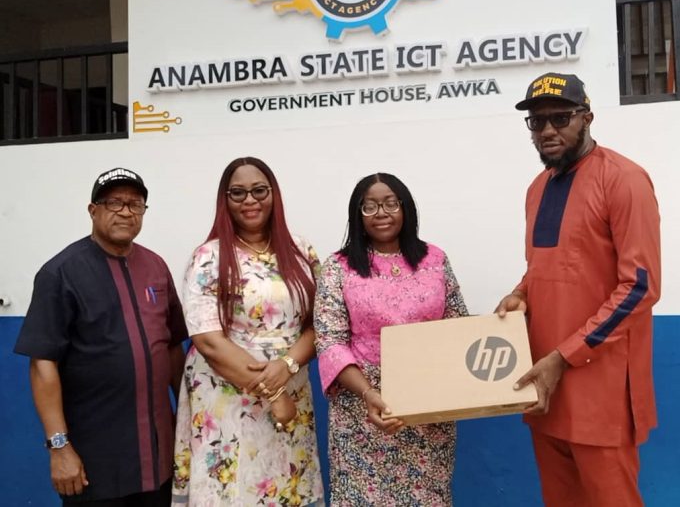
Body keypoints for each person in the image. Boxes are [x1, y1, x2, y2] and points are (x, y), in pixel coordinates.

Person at [495, 73, 661, 507]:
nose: (547, 130)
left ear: (587, 117)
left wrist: (563, 357)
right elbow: (544, 266)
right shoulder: (537, 189)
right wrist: (521, 294)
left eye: (560, 118)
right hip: (544, 389)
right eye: (537, 121)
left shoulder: (624, 179)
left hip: (600, 395)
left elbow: (640, 288)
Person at [14, 167, 188, 505]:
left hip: (159, 455)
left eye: (135, 204)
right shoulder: (60, 273)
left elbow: (172, 348)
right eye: (114, 203)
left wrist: (188, 420)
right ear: (93, 210)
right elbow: (42, 364)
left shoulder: (156, 267)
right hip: (94, 461)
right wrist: (59, 447)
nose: (125, 212)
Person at [171, 157, 324, 506]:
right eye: (238, 193)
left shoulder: (302, 250)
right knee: (233, 488)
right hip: (225, 396)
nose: (249, 200)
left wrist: (286, 365)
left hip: (292, 389)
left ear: (274, 194)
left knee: (287, 483)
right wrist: (274, 393)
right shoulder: (208, 257)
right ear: (225, 200)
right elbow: (208, 341)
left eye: (259, 190)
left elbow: (320, 325)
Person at [314, 172, 469, 505]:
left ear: (405, 208)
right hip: (363, 412)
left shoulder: (435, 260)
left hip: (429, 410)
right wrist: (369, 393)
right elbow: (329, 341)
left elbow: (457, 326)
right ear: (357, 215)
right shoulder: (338, 267)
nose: (381, 213)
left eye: (389, 204)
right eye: (369, 206)